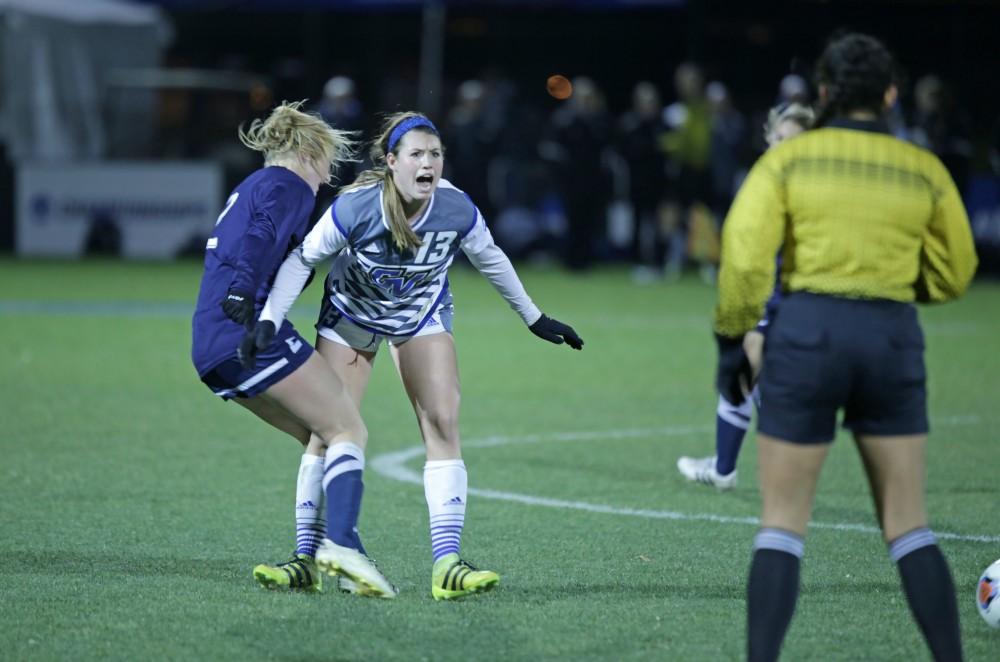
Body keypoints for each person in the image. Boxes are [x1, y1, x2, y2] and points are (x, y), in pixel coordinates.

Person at [714, 33, 977, 661]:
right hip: (890, 336)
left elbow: (745, 256)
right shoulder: (924, 167)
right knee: (909, 523)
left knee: (782, 523)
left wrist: (732, 341)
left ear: (825, 94)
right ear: (890, 94)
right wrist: (894, 288)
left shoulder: (789, 161)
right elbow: (955, 269)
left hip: (807, 332)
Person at [247, 111, 584, 600]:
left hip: (419, 316)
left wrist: (534, 318)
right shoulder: (356, 207)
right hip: (351, 316)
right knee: (328, 430)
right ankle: (306, 558)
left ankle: (447, 564)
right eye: (417, 154)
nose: (429, 163)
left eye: (436, 154)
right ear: (392, 162)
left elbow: (490, 257)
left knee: (443, 421)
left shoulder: (455, 207)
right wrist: (270, 321)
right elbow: (303, 259)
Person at [191, 101, 400, 598]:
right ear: (309, 150)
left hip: (209, 348)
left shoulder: (252, 185)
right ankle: (342, 547)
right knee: (348, 426)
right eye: (327, 159)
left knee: (321, 436)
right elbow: (261, 239)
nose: (328, 173)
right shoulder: (289, 185)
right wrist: (244, 291)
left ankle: (313, 560)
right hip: (243, 331)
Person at [677, 101, 814, 490]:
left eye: (797, 140)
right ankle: (724, 468)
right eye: (782, 138)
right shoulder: (765, 180)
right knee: (746, 375)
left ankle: (760, 474)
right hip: (768, 298)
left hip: (799, 299)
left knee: (756, 374)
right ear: (770, 137)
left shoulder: (809, 189)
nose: (787, 146)